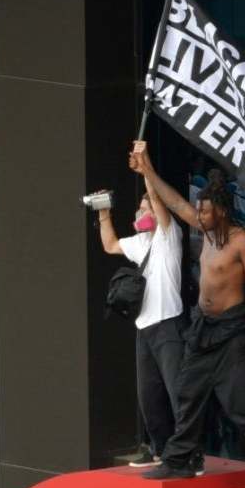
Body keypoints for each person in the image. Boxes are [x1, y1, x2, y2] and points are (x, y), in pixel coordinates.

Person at [128, 141, 245, 486]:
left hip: (233, 330)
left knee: (241, 403)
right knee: (188, 393)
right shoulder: (205, 232)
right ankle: (180, 460)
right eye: (198, 212)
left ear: (221, 210)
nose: (198, 217)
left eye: (204, 212)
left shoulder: (241, 240)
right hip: (202, 328)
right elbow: (173, 203)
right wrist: (148, 171)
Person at [94, 181, 185, 464]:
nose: (139, 213)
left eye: (145, 208)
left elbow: (160, 205)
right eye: (139, 208)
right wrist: (103, 212)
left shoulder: (169, 236)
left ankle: (188, 453)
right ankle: (160, 449)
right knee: (149, 395)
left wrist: (146, 172)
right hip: (144, 328)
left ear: (158, 212)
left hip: (168, 324)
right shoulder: (141, 244)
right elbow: (109, 245)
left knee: (177, 393)